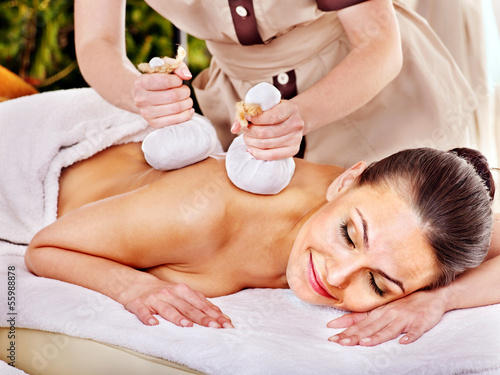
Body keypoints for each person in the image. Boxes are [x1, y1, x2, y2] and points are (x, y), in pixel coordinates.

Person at [25, 141, 500, 346]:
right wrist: (132, 288)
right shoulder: (202, 213)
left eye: (376, 284)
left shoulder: (415, 225)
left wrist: (441, 300)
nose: (334, 278)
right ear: (347, 179)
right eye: (348, 235)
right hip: (37, 164)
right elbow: (44, 248)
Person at [74, 0, 476, 168]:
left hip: (369, 97)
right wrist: (134, 92)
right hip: (238, 98)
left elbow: (378, 44)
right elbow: (96, 41)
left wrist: (300, 114)